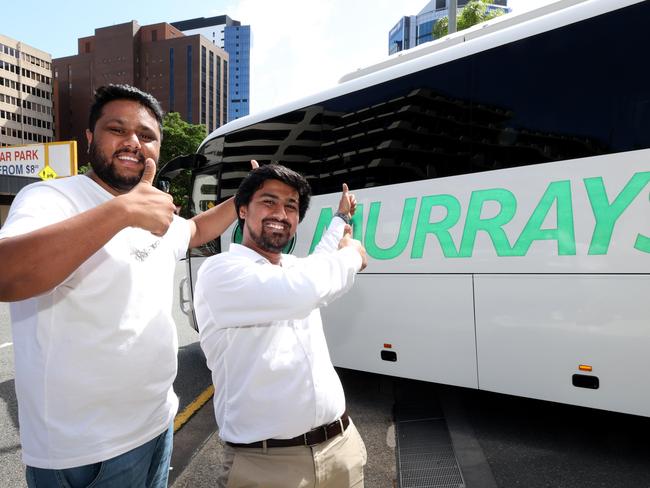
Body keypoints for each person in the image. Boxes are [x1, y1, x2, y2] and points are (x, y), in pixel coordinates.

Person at [0, 84, 252, 487]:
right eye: (117, 129)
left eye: (147, 136)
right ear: (90, 138)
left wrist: (244, 196)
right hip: (84, 454)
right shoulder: (51, 197)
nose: (133, 142)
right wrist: (121, 212)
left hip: (157, 425)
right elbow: (6, 274)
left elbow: (196, 229)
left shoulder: (155, 211)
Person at [194, 164, 369, 488]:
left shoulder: (292, 268)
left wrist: (340, 220)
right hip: (266, 466)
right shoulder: (221, 272)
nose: (281, 212)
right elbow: (303, 289)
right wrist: (352, 256)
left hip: (340, 449)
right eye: (268, 201)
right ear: (242, 209)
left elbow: (319, 259)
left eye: (291, 206)